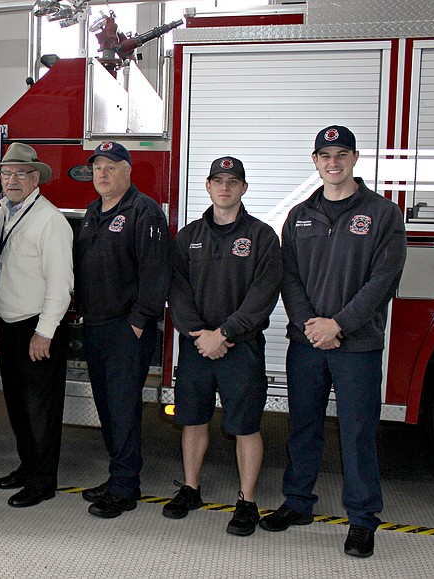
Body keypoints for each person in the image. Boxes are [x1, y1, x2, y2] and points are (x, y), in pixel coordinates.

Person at [259, 126, 407, 558]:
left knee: (357, 432)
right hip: (306, 343)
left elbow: (383, 280)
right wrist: (311, 324)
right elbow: (289, 277)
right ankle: (298, 502)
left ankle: (362, 519)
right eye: (325, 155)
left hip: (357, 346)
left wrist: (337, 325)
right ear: (315, 162)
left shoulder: (383, 214)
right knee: (302, 427)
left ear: (355, 158)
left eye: (341, 154)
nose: (333, 162)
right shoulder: (300, 214)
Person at [165, 156, 282, 535]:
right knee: (193, 419)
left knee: (246, 426)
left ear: (244, 188)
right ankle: (191, 489)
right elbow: (177, 290)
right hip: (198, 346)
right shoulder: (188, 236)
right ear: (208, 186)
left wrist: (225, 334)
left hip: (241, 348)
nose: (225, 187)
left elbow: (263, 295)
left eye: (233, 181)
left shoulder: (263, 237)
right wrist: (199, 334)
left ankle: (247, 501)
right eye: (218, 180)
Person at [74, 141, 171, 518]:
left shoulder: (143, 212)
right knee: (106, 407)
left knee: (123, 408)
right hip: (96, 326)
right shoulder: (93, 211)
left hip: (126, 328)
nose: (102, 173)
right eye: (98, 167)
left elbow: (156, 272)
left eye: (111, 167)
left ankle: (125, 487)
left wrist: (139, 320)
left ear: (127, 172)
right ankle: (118, 474)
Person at [0, 143, 73, 508]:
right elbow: (1, 264)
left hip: (37, 327)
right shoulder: (6, 212)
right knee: (18, 404)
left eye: (21, 173)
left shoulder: (50, 220)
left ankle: (42, 482)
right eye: (6, 173)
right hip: (9, 324)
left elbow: (61, 283)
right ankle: (27, 466)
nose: (12, 179)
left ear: (36, 178)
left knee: (41, 409)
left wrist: (45, 331)